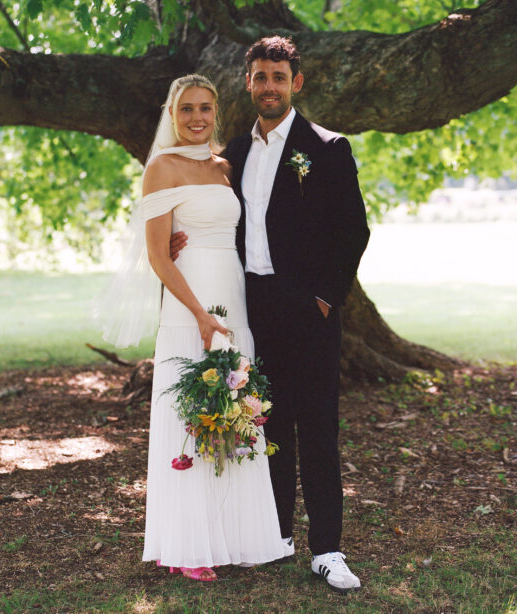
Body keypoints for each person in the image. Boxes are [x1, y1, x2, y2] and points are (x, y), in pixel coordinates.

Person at [170, 37, 370, 593]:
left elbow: (354, 231)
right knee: (265, 422)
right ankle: (275, 535)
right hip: (249, 306)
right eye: (260, 77)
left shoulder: (326, 148)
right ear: (249, 83)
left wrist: (324, 298)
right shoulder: (234, 152)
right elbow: (207, 209)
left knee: (318, 429)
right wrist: (181, 237)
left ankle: (327, 549)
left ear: (295, 83)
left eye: (279, 77)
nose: (269, 87)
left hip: (308, 309)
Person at [133, 74, 285, 582]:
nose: (196, 117)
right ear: (172, 114)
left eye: (204, 108)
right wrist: (199, 313)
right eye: (186, 109)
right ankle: (187, 546)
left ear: (216, 112)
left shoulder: (225, 167)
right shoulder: (161, 167)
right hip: (189, 303)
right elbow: (159, 255)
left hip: (232, 297)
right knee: (190, 410)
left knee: (235, 408)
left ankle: (235, 537)